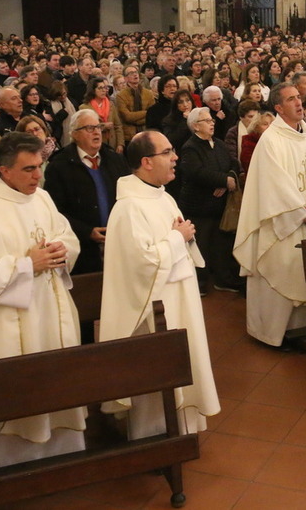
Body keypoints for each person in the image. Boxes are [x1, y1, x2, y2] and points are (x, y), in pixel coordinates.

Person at [0, 132, 85, 471]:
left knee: (57, 384)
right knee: (19, 392)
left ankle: (63, 458)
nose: (37, 176)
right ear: (3, 171)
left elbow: (67, 237)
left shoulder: (41, 198)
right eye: (28, 170)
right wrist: (27, 265)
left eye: (39, 167)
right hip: (12, 320)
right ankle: (12, 468)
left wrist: (62, 250)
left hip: (52, 310)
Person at [99, 130, 220, 438]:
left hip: (179, 298)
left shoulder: (162, 196)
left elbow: (175, 244)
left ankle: (183, 429)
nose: (175, 157)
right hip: (153, 309)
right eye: (167, 152)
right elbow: (143, 265)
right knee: (158, 373)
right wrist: (178, 238)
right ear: (146, 162)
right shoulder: (128, 209)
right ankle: (154, 436)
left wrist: (182, 238)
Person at [234, 84, 306, 348]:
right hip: (285, 222)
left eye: (299, 98)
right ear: (278, 108)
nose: (299, 103)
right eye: (291, 99)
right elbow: (273, 184)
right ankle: (276, 332)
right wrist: (300, 211)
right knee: (283, 268)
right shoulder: (271, 140)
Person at [44, 109, 130, 275]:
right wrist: (86, 231)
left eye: (98, 127)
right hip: (83, 249)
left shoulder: (115, 159)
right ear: (75, 134)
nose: (97, 132)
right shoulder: (59, 165)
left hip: (119, 244)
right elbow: (55, 211)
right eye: (90, 128)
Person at [177, 107, 243, 293]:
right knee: (202, 245)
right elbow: (195, 172)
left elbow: (233, 164)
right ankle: (199, 284)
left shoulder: (219, 144)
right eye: (207, 120)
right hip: (199, 206)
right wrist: (223, 180)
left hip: (220, 205)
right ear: (196, 126)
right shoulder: (190, 147)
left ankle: (223, 279)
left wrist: (228, 179)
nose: (212, 122)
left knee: (220, 245)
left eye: (212, 120)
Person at [114, 64, 154, 140]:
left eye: (136, 72)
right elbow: (127, 117)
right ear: (125, 79)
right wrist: (146, 112)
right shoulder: (121, 95)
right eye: (131, 73)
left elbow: (152, 115)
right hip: (129, 136)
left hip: (146, 133)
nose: (135, 74)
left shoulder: (148, 93)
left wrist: (136, 119)